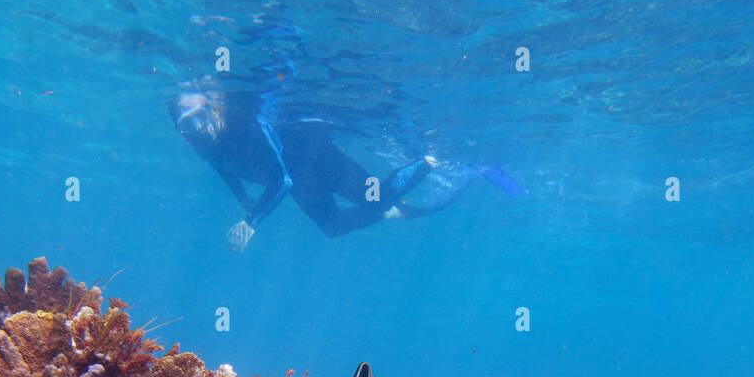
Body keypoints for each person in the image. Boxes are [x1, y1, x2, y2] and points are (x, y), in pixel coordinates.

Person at [168, 87, 517, 251]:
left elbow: (281, 178)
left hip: (318, 159)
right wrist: (244, 199)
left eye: (200, 116)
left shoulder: (245, 124)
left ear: (213, 109)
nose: (197, 128)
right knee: (332, 228)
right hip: (302, 182)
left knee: (377, 198)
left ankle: (431, 160)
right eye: (187, 125)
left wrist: (251, 220)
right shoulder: (205, 146)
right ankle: (390, 213)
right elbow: (226, 174)